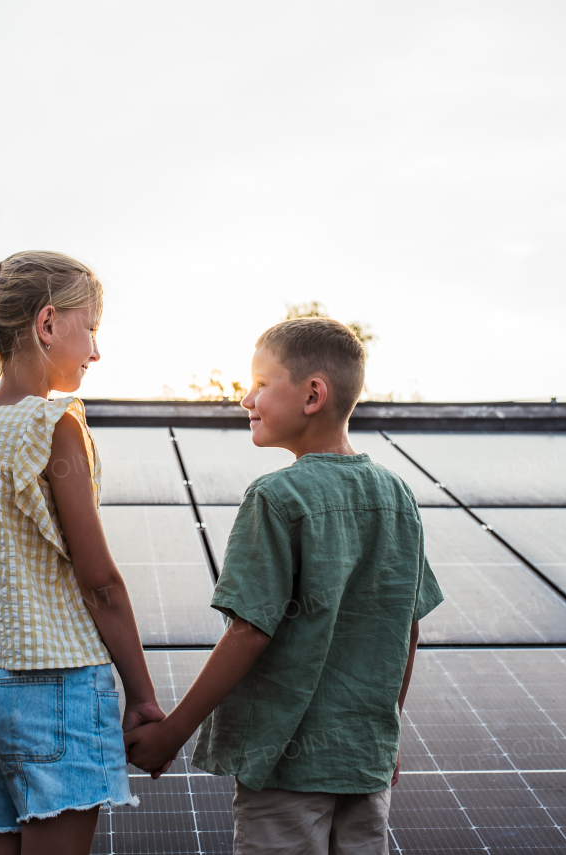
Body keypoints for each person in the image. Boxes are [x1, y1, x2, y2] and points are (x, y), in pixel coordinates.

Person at [124, 317, 443, 855]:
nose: (246, 398)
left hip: (286, 764)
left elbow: (250, 632)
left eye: (261, 384)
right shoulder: (398, 496)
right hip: (364, 764)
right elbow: (405, 630)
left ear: (313, 394)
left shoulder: (276, 498)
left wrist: (172, 732)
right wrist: (385, 738)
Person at [0, 251, 173, 855]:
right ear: (47, 324)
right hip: (56, 685)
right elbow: (100, 583)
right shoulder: (54, 424)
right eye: (90, 328)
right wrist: (142, 697)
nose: (95, 350)